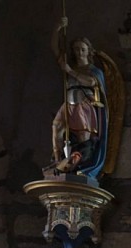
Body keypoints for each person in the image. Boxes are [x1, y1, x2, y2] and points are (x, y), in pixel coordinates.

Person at [48, 17, 108, 180]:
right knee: (56, 129)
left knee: (83, 139)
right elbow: (55, 49)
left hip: (84, 107)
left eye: (82, 49)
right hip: (68, 104)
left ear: (89, 51)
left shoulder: (93, 71)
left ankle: (81, 167)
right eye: (76, 49)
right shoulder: (70, 66)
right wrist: (57, 28)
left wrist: (70, 71)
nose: (79, 52)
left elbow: (91, 82)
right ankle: (58, 161)